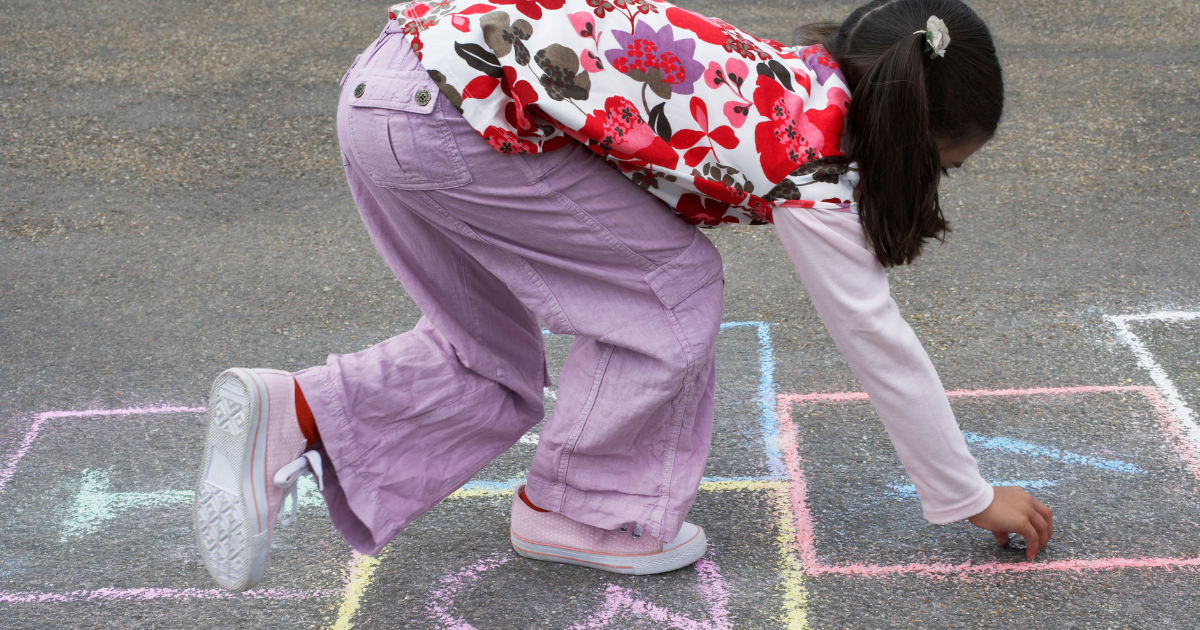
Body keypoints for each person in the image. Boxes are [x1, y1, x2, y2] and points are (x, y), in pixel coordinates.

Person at [193, 0, 1053, 592]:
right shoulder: (811, 161)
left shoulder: (789, 80)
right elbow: (876, 337)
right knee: (672, 288)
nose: (938, 186)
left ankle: (296, 411)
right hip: (451, 121)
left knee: (487, 355)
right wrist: (967, 494)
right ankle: (581, 512)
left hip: (392, 87)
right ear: (909, 135)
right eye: (945, 168)